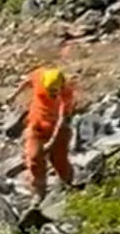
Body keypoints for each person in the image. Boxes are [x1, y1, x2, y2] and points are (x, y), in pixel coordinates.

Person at [14, 66, 76, 198]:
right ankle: (39, 192)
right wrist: (14, 94)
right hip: (36, 126)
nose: (52, 95)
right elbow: (27, 81)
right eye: (50, 91)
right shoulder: (39, 75)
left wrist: (51, 142)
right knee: (34, 157)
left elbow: (62, 120)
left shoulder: (67, 94)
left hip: (57, 130)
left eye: (55, 92)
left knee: (59, 160)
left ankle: (68, 185)